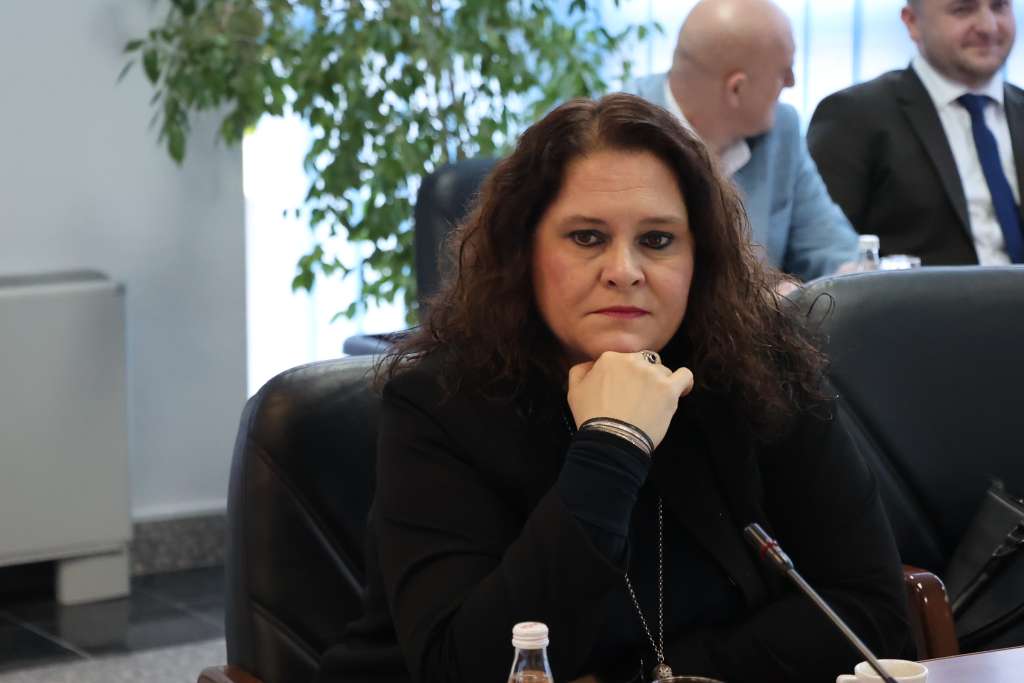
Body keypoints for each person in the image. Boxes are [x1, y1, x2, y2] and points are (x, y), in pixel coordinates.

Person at [315, 94, 909, 683]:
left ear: (700, 257)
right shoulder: (440, 402)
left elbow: (874, 618)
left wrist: (643, 679)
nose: (624, 271)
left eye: (657, 240)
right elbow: (468, 669)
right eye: (586, 237)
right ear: (525, 252)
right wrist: (611, 445)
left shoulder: (764, 371)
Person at [628, 0, 858, 283]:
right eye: (783, 72)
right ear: (736, 89)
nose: (792, 82)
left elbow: (834, 249)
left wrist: (851, 274)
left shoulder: (782, 129)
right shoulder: (620, 135)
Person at [808, 0, 1024, 265]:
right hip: (917, 292)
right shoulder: (854, 116)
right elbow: (821, 252)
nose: (988, 27)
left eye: (999, 7)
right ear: (912, 22)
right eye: (963, 10)